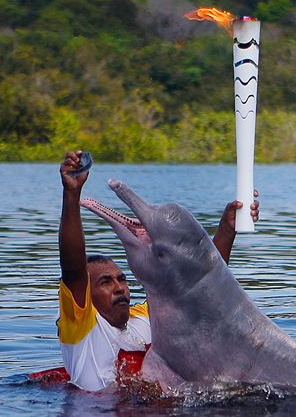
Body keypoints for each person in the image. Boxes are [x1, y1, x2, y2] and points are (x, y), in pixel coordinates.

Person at [57, 150, 260, 391]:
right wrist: (71, 196)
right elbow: (72, 268)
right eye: (105, 282)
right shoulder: (81, 326)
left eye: (121, 279)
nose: (119, 287)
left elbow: (198, 289)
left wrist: (227, 229)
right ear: (86, 296)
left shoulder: (146, 317)